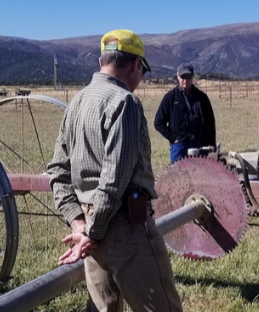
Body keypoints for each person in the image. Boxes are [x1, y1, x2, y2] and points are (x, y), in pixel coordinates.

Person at [47, 29, 183, 312]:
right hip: (126, 229)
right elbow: (113, 180)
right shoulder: (125, 103)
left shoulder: (77, 103)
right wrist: (92, 234)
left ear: (101, 62)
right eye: (142, 70)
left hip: (89, 228)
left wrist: (78, 224)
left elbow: (58, 172)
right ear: (135, 65)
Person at [154, 63, 216, 163]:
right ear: (177, 76)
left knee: (200, 176)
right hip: (179, 147)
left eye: (188, 77)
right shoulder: (170, 97)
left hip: (199, 145)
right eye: (183, 77)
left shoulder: (202, 98)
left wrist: (212, 146)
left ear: (192, 77)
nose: (185, 80)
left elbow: (210, 124)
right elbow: (158, 122)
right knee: (178, 176)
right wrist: (173, 138)